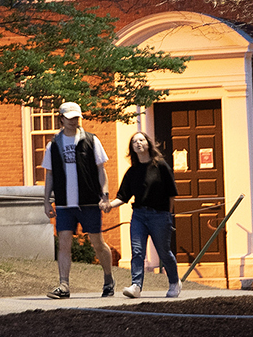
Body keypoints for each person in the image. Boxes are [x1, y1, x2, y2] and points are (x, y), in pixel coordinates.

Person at [42, 101, 116, 299]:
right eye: (70, 118)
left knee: (97, 243)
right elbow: (49, 175)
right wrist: (47, 201)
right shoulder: (54, 144)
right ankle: (63, 285)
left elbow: (101, 170)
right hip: (65, 203)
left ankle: (108, 279)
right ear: (61, 119)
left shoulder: (91, 140)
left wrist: (105, 195)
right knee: (64, 243)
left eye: (77, 117)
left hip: (89, 201)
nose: (74, 121)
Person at [106, 131, 182, 298]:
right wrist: (109, 205)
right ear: (132, 148)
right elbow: (122, 197)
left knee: (164, 252)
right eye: (134, 142)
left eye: (141, 140)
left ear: (148, 143)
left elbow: (171, 193)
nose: (138, 143)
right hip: (139, 216)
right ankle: (136, 286)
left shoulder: (161, 166)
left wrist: (168, 216)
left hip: (159, 215)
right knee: (138, 251)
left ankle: (174, 282)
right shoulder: (132, 172)